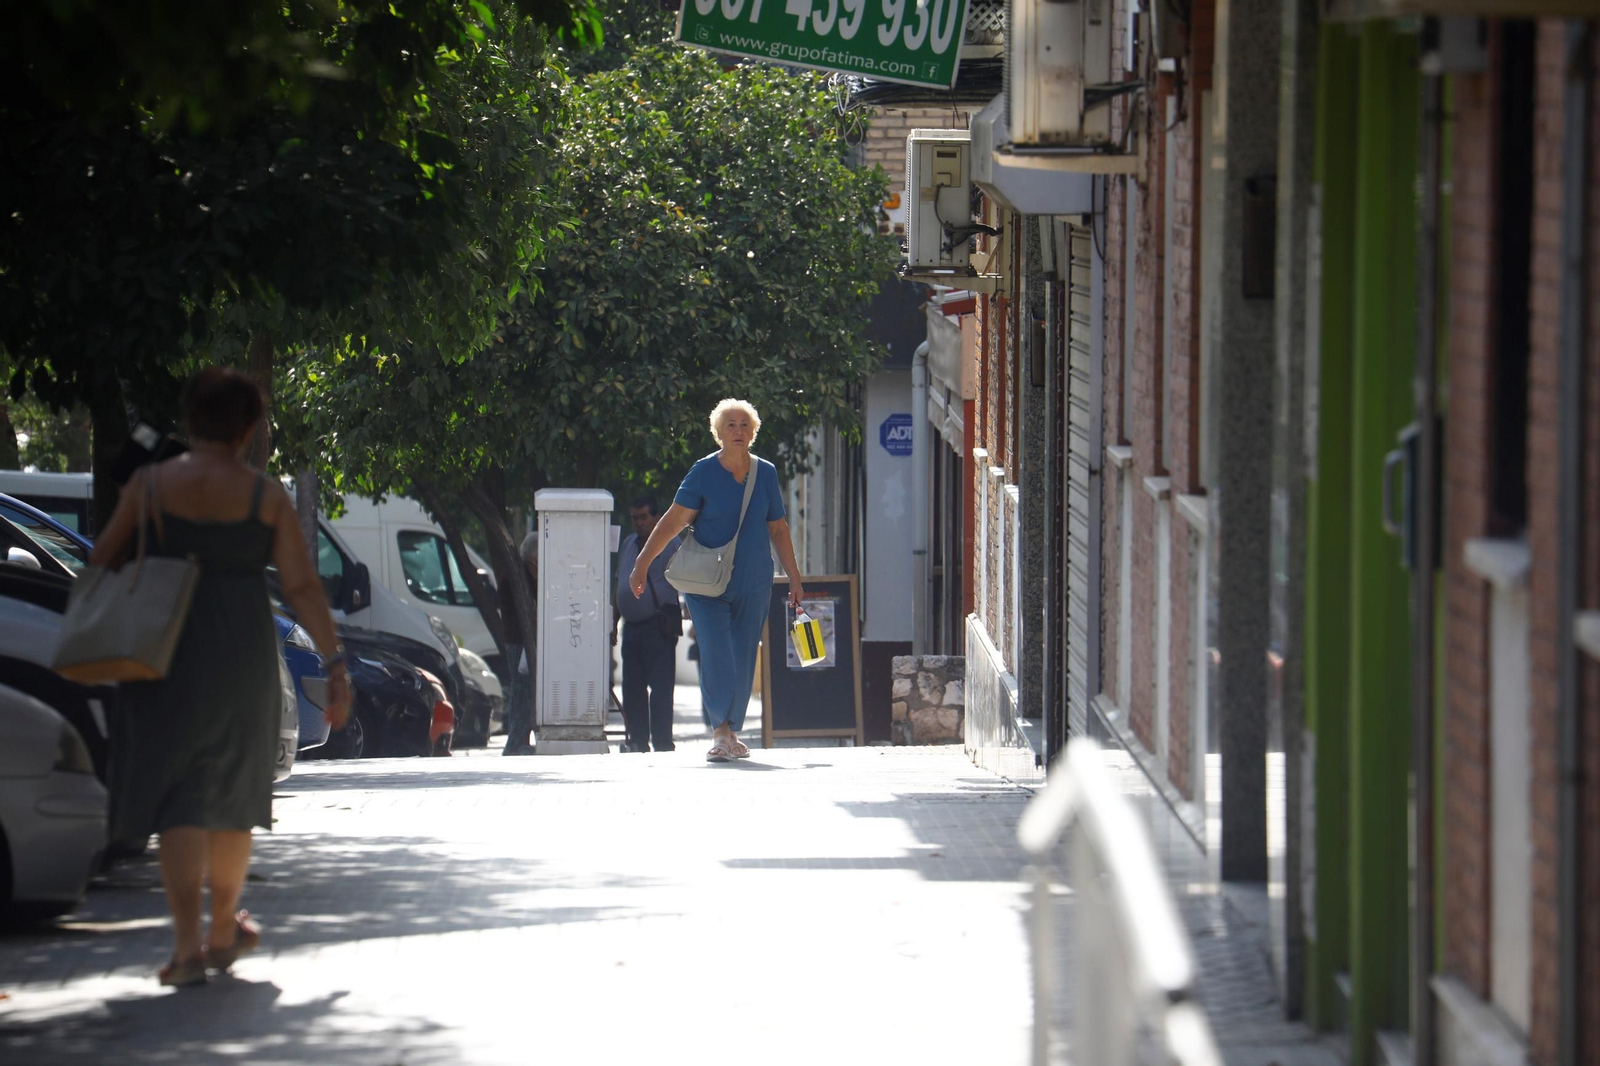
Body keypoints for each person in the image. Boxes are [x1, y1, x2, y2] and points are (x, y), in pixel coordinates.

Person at [89, 368, 352, 987]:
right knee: (233, 798)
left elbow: (102, 559)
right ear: (249, 427)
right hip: (241, 650)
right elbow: (301, 586)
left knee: (179, 798)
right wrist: (335, 663)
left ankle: (185, 950)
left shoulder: (150, 485)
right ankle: (222, 929)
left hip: (166, 646)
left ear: (188, 420)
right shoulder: (264, 496)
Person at [628, 399, 805, 762]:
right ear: (719, 432)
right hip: (706, 583)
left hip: (754, 580)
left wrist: (795, 578)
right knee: (716, 652)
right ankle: (720, 732)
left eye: (744, 425)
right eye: (730, 425)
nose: (738, 430)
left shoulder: (766, 473)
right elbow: (675, 520)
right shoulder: (703, 472)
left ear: (753, 432)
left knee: (742, 656)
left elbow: (779, 528)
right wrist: (642, 563)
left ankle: (732, 730)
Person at [613, 497, 681, 752]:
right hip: (631, 627)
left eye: (644, 517)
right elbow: (620, 582)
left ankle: (663, 741)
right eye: (635, 518)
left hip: (658, 625)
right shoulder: (629, 544)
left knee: (661, 689)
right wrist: (613, 621)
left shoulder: (671, 543)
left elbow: (684, 577)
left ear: (656, 518)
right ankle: (638, 740)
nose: (639, 523)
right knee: (632, 688)